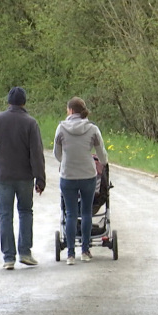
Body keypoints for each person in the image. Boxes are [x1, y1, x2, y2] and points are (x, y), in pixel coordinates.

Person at [0, 87, 46, 270]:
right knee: (25, 211)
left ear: (9, 102)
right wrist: (40, 179)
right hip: (24, 176)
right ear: (24, 102)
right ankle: (25, 253)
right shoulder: (30, 123)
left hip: (3, 176)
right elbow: (36, 153)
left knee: (5, 215)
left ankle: (8, 258)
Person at [53, 96, 108, 265]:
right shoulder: (92, 129)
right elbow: (102, 155)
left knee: (70, 214)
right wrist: (101, 163)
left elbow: (57, 154)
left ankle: (70, 254)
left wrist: (66, 161)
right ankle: (85, 251)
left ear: (70, 111)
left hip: (68, 175)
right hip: (87, 175)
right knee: (86, 213)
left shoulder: (61, 128)